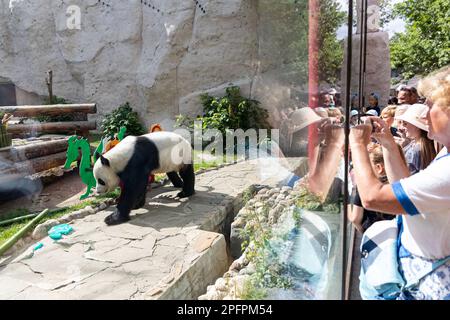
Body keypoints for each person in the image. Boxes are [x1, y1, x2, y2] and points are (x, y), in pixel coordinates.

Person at [349, 65, 450, 300]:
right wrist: (387, 142)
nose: (424, 113)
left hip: (425, 285)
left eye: (431, 104)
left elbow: (373, 197)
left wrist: (357, 145)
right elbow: (406, 187)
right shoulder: (445, 153)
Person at [349, 143, 403, 233]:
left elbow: (355, 218)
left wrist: (363, 231)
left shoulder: (365, 186)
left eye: (370, 165)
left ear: (379, 167)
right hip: (397, 233)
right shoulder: (402, 184)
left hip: (373, 233)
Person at [395, 104, 436, 174]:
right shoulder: (420, 144)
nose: (403, 127)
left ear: (416, 126)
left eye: (405, 124)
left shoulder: (417, 149)